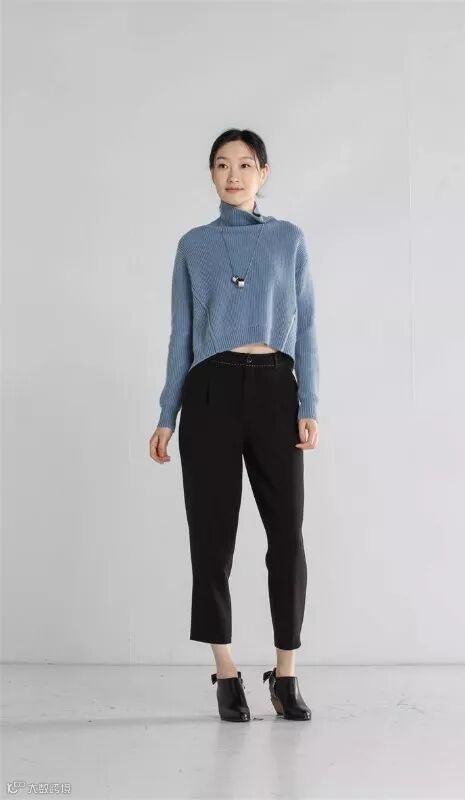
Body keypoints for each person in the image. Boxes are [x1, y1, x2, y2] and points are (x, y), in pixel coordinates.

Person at [149, 128, 319, 722]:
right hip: (210, 393)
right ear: (212, 174)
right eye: (222, 165)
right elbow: (182, 335)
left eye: (245, 164)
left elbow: (307, 326)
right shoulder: (193, 246)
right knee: (211, 537)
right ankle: (225, 670)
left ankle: (286, 672)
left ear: (263, 173)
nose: (233, 175)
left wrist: (309, 404)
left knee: (287, 538)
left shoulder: (288, 239)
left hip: (275, 389)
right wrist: (166, 414)